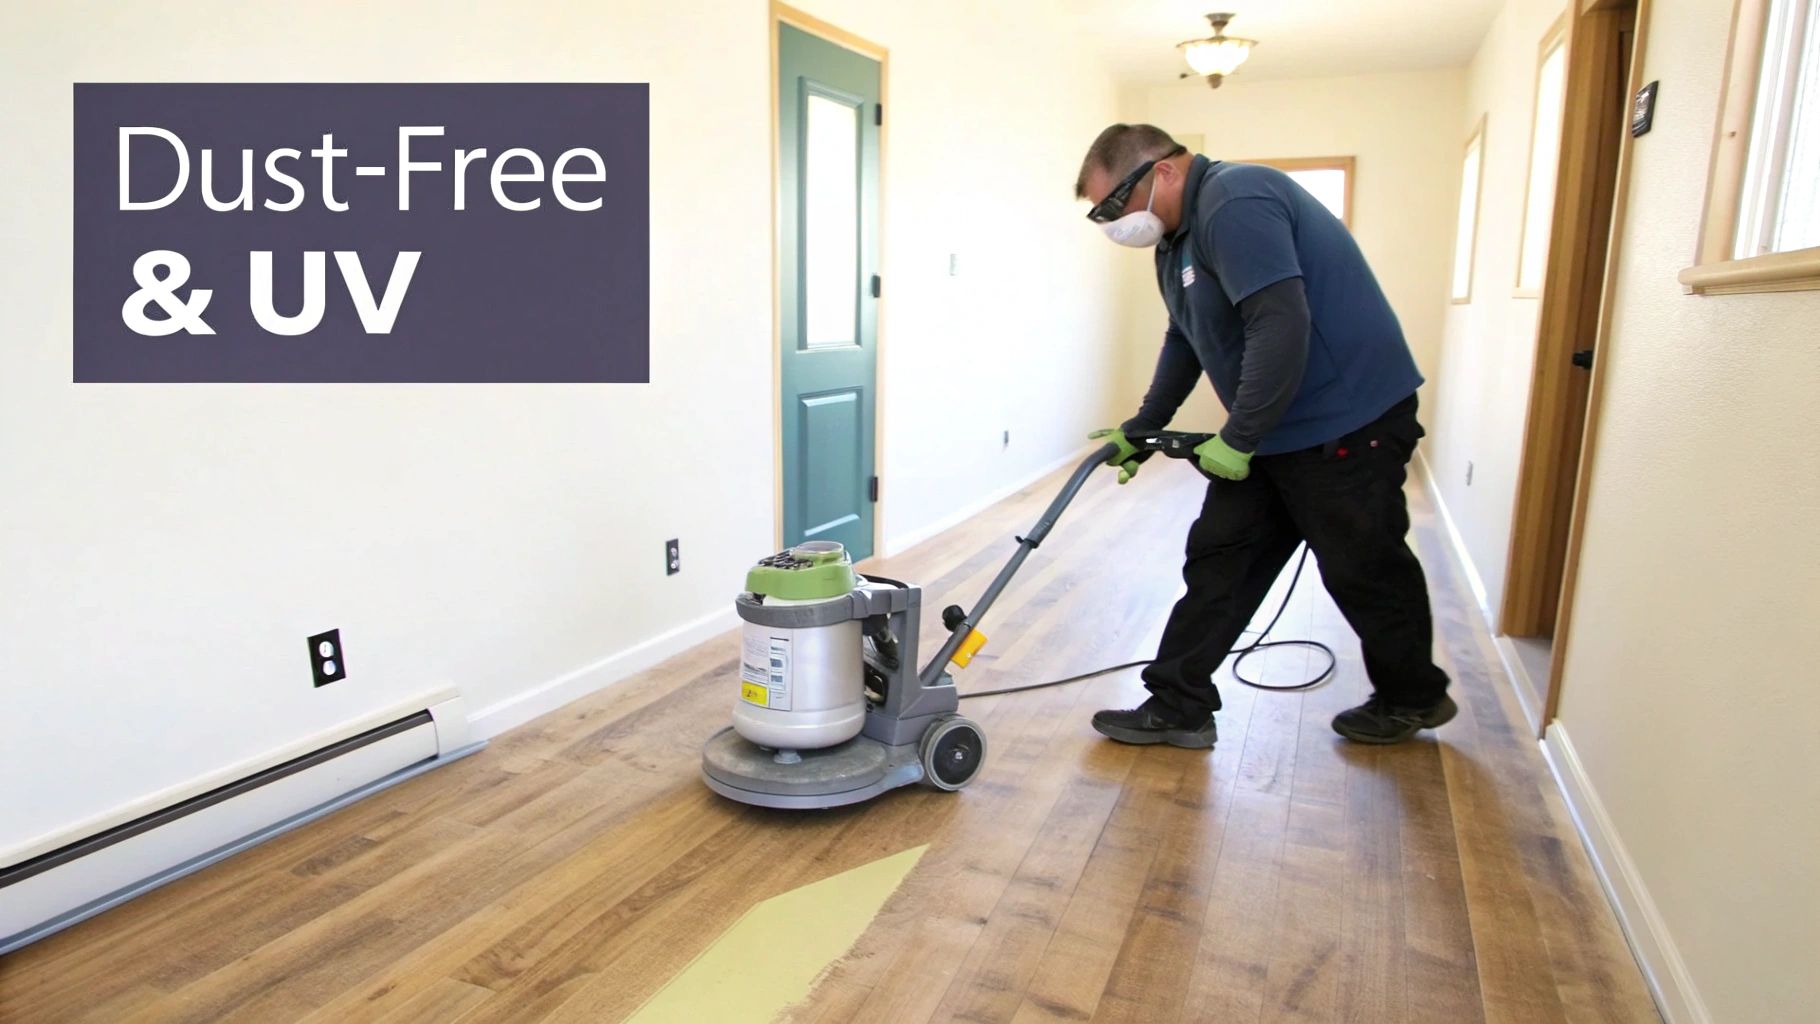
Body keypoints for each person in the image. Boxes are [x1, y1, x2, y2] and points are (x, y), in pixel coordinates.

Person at [1074, 123, 1453, 748]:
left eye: (1116, 203)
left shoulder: (1237, 199)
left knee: (1363, 566)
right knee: (1220, 556)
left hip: (1348, 421)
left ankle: (1412, 697)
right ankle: (1178, 704)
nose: (1115, 222)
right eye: (1102, 214)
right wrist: (1145, 425)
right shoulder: (1175, 243)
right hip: (1277, 428)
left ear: (1164, 170)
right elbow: (1185, 337)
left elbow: (1280, 323)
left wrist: (1239, 437)